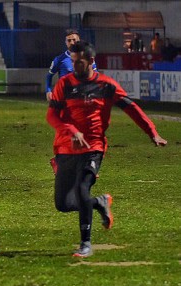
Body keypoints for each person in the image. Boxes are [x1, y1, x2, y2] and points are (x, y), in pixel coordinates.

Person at [46, 41, 167, 258]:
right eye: (73, 62)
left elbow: (131, 107)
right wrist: (71, 130)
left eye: (80, 63)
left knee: (83, 189)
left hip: (94, 148)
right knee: (63, 204)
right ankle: (99, 202)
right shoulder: (64, 84)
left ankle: (85, 243)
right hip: (66, 148)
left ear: (92, 61)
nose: (75, 67)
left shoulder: (106, 85)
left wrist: (152, 132)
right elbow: (52, 115)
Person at [45, 29, 97, 174]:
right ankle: (83, 164)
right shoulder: (60, 59)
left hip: (82, 100)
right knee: (68, 131)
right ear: (65, 42)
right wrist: (48, 90)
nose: (72, 42)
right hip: (65, 101)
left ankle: (83, 163)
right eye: (69, 40)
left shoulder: (88, 57)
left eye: (74, 40)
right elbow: (48, 76)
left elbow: (95, 75)